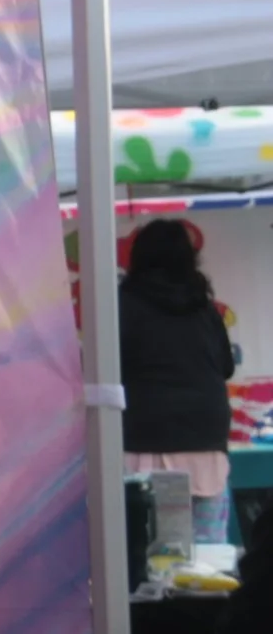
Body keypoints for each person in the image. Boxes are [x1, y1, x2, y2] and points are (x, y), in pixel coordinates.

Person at [121, 219, 237, 545]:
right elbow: (225, 367)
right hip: (205, 437)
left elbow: (105, 371)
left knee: (153, 553)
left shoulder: (121, 306)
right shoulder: (205, 309)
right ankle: (207, 596)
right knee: (207, 553)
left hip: (145, 438)